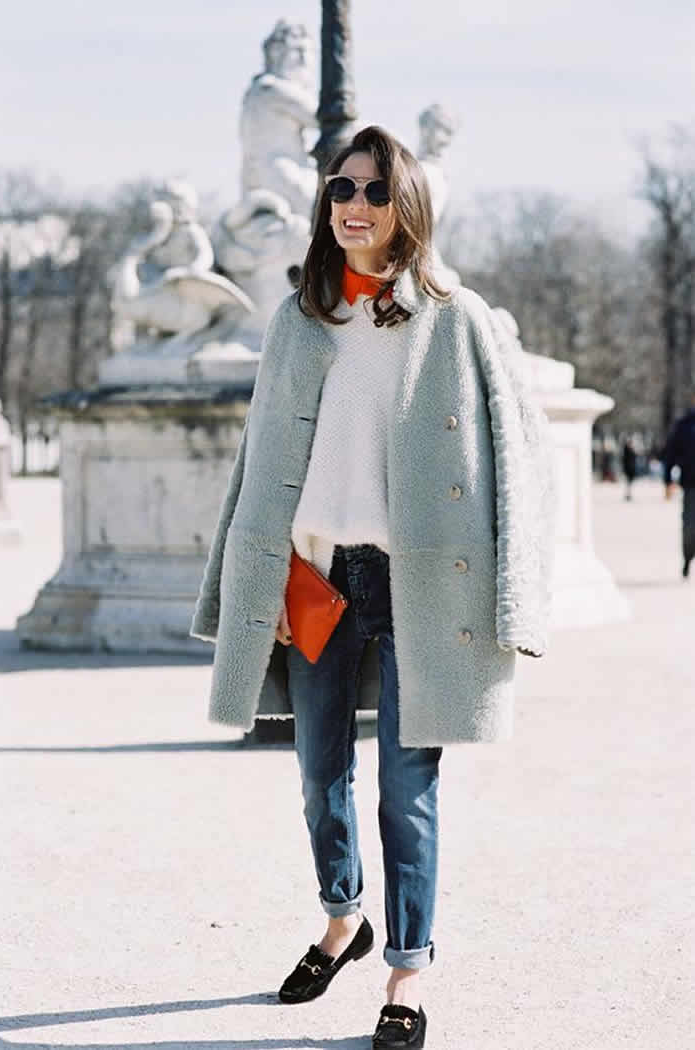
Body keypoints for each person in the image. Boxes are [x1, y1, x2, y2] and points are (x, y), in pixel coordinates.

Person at [191, 125, 556, 1049]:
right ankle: (341, 918)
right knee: (319, 776)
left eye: (375, 191)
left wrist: (517, 597)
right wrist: (259, 575)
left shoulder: (455, 318)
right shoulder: (298, 317)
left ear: (408, 207)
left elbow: (520, 455)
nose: (354, 205)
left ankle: (406, 973)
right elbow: (257, 458)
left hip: (419, 586)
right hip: (318, 580)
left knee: (406, 789)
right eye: (341, 188)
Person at [663, 390, 695, 579]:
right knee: (690, 527)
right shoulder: (684, 425)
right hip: (691, 486)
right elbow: (671, 454)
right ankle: (687, 557)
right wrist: (668, 481)